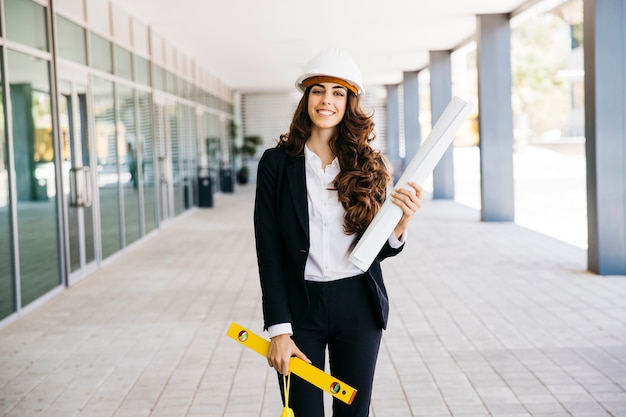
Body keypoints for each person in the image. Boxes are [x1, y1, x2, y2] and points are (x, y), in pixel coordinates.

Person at [253, 48, 422, 417]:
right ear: (306, 98)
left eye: (338, 92)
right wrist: (279, 329)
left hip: (358, 306)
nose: (326, 100)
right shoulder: (275, 165)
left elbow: (376, 250)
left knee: (353, 414)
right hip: (301, 311)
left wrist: (400, 227)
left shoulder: (368, 164)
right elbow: (269, 250)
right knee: (303, 413)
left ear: (349, 102)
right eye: (318, 90)